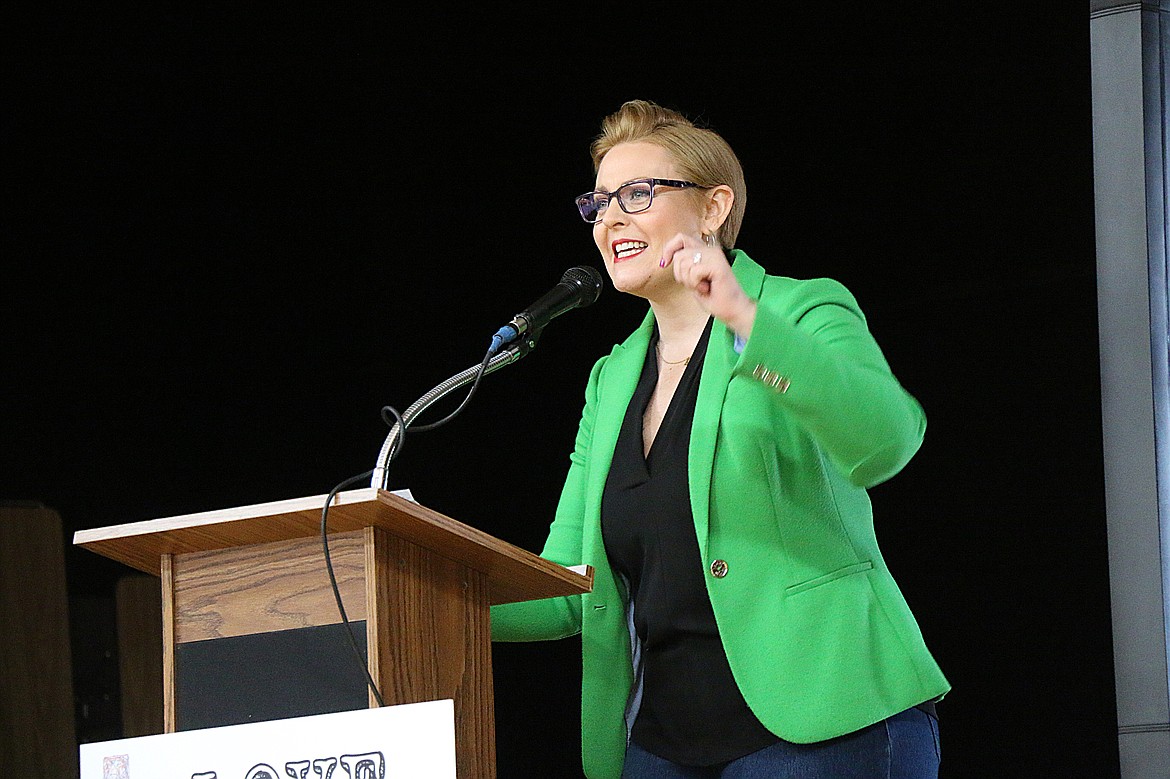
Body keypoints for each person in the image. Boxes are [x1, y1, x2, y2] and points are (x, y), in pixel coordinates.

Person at [490, 99, 950, 779]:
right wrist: (405, 595)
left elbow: (885, 438)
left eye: (637, 194)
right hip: (661, 744)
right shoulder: (610, 379)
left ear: (713, 209)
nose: (611, 217)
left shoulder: (799, 309)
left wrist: (740, 315)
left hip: (822, 727)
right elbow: (567, 587)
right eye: (599, 202)